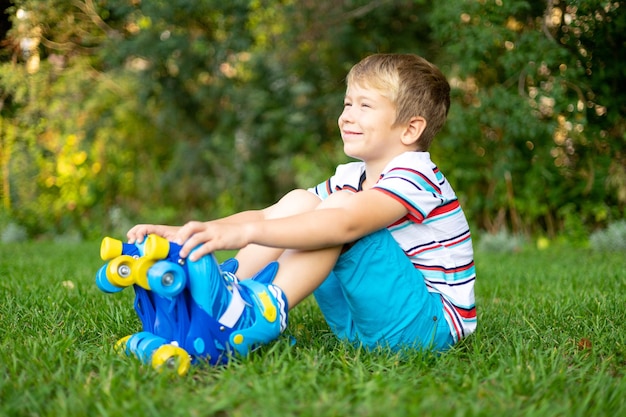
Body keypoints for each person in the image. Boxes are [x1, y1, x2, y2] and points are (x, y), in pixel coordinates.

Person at [127, 53, 476, 359]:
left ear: (410, 128)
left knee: (337, 210)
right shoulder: (351, 176)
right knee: (302, 201)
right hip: (362, 324)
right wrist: (193, 231)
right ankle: (223, 291)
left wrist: (244, 232)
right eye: (347, 103)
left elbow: (346, 224)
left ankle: (260, 314)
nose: (347, 116)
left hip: (428, 328)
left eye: (364, 105)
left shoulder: (418, 174)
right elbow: (269, 216)